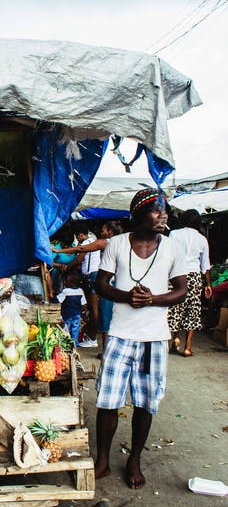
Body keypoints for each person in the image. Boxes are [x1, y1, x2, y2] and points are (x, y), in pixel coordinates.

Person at [93, 188, 186, 489]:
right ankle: (103, 461)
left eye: (165, 211)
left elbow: (182, 290)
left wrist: (153, 299)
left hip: (153, 339)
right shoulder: (117, 244)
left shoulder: (172, 248)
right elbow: (101, 284)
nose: (163, 216)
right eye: (157, 211)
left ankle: (134, 459)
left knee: (145, 403)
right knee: (108, 400)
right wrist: (128, 296)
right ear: (139, 214)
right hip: (120, 334)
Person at [61, 221, 124, 351]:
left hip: (100, 278)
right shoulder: (122, 243)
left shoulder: (107, 242)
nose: (101, 232)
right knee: (106, 312)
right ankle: (104, 344)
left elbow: (81, 250)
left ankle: (96, 340)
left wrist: (58, 250)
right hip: (114, 279)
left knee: (99, 310)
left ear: (110, 232)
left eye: (103, 229)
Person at [168, 209, 212, 357]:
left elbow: (168, 256)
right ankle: (187, 348)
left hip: (176, 274)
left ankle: (176, 339)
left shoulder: (174, 234)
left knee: (175, 308)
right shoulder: (202, 239)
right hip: (194, 277)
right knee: (192, 310)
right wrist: (208, 285)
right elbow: (205, 266)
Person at [57, 268, 86, 345]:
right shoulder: (80, 291)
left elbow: (58, 300)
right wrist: (82, 314)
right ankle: (75, 342)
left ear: (69, 283)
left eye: (65, 281)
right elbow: (83, 304)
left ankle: (66, 342)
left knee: (66, 328)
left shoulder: (65, 291)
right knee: (75, 328)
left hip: (67, 314)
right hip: (77, 314)